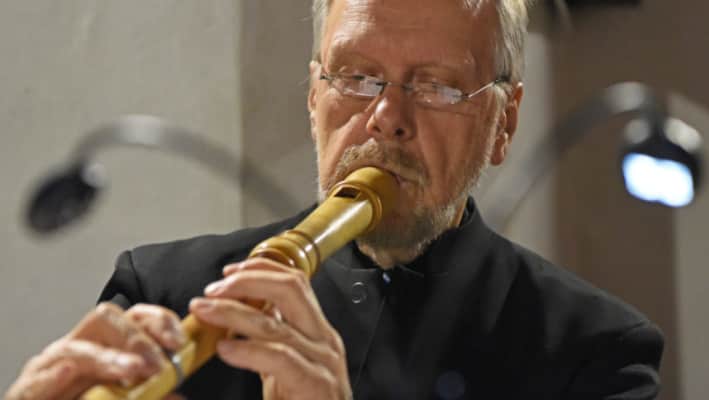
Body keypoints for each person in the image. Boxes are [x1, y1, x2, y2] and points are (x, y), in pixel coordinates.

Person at [6, 0, 664, 399]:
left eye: (435, 86)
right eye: (356, 76)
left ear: (504, 123)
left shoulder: (597, 354)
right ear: (313, 96)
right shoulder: (160, 289)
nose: (387, 119)